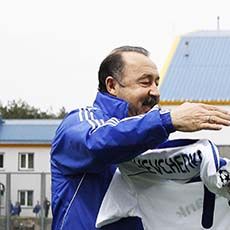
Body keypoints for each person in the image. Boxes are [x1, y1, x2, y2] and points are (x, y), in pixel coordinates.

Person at [50, 46, 230, 230]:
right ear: (112, 85)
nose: (156, 92)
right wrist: (168, 120)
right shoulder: (78, 124)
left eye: (157, 83)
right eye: (145, 83)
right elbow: (99, 142)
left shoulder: (151, 138)